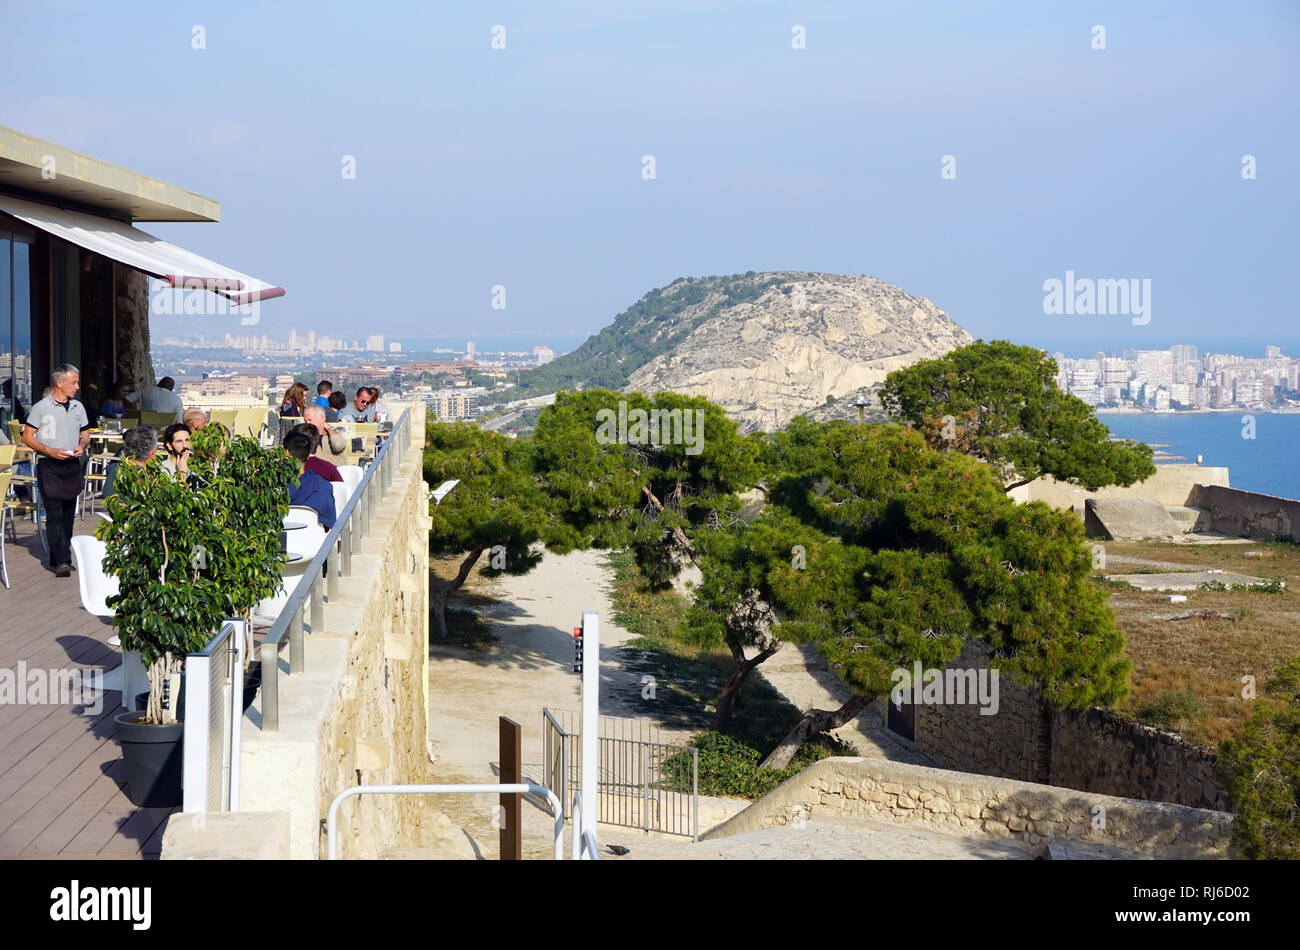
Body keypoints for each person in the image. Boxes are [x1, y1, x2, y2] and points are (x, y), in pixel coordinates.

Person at [22, 364, 91, 576]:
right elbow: (27, 436)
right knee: (54, 514)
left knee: (69, 514)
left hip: (71, 465)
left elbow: (86, 434)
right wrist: (49, 450)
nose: (77, 387)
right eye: (73, 383)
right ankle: (61, 560)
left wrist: (82, 446)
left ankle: (60, 557)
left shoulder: (78, 407)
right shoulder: (41, 407)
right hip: (49, 465)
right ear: (59, 383)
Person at [284, 431, 336, 529]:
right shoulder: (323, 486)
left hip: (282, 542)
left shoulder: (274, 489)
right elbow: (329, 526)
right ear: (308, 456)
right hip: (313, 541)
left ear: (286, 453)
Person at [102, 425, 158, 505]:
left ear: (123, 452)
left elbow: (106, 495)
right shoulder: (152, 476)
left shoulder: (115, 473)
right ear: (152, 452)